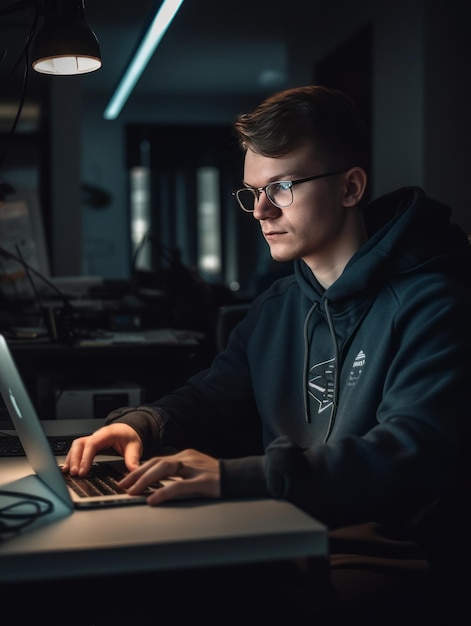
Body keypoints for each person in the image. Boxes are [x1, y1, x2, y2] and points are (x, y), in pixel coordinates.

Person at [62, 85, 470, 623]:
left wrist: (239, 479)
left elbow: (409, 451)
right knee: (98, 585)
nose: (259, 211)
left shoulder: (435, 301)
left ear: (350, 187)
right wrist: (143, 424)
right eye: (252, 191)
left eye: (281, 188)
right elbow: (213, 394)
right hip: (277, 534)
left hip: (384, 562)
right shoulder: (279, 304)